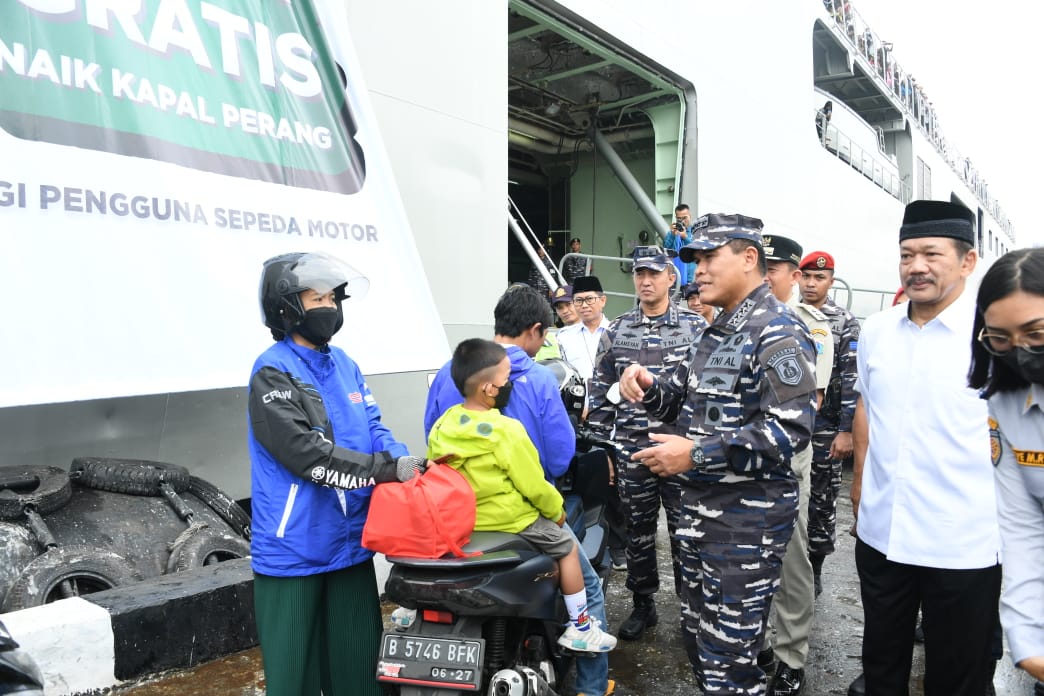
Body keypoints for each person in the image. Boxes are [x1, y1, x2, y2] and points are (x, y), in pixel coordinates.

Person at [619, 213, 817, 694]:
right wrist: (646, 387)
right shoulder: (716, 332)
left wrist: (696, 455)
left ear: (749, 258)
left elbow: (790, 432)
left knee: (729, 665)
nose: (698, 270)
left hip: (742, 531)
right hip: (699, 526)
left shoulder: (778, 332)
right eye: (694, 260)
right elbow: (674, 396)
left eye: (709, 257)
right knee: (703, 652)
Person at [248, 252, 430, 696]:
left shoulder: (343, 363)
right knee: (297, 678)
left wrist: (403, 460)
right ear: (287, 307)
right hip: (295, 549)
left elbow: (373, 426)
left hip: (350, 542)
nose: (329, 306)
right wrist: (386, 470)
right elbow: (308, 457)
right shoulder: (272, 371)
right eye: (317, 298)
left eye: (333, 296)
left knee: (360, 670)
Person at [424, 285, 614, 696]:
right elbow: (559, 457)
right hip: (521, 515)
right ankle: (591, 685)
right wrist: (553, 505)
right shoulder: (536, 377)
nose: (542, 343)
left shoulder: (449, 372)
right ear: (532, 330)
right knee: (588, 583)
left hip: (459, 519)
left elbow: (431, 444)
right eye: (543, 335)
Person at [851, 200, 1000, 696]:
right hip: (883, 537)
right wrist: (859, 488)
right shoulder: (876, 332)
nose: (916, 266)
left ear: (968, 261)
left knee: (957, 678)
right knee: (881, 670)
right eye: (907, 254)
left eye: (932, 254)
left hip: (962, 544)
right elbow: (870, 412)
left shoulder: (993, 339)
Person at [586, 246, 707, 641]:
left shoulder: (695, 328)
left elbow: (708, 391)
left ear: (671, 277)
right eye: (640, 273)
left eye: (654, 273)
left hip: (679, 449)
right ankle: (643, 604)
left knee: (685, 530)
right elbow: (601, 389)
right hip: (632, 448)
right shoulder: (617, 330)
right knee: (637, 529)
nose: (646, 281)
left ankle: (692, 610)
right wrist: (604, 448)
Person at [761, 235, 834, 696]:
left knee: (790, 560)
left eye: (776, 267)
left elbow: (811, 400)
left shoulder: (810, 326)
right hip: (737, 460)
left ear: (793, 275)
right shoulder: (731, 321)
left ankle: (790, 655)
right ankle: (755, 643)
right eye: (760, 264)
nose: (766, 275)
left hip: (785, 460)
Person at [968, 247, 1044, 685]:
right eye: (1001, 339)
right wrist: (1028, 642)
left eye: (1036, 333)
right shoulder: (1008, 405)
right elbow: (1023, 529)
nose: (1022, 353)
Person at [798, 251, 860, 597]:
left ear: (830, 281)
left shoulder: (845, 322)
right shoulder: (791, 316)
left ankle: (816, 566)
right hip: (791, 422)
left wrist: (847, 430)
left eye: (818, 278)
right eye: (805, 277)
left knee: (822, 498)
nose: (811, 284)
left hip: (826, 424)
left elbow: (851, 379)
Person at [558, 275, 611, 383]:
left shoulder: (617, 332)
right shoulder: (564, 337)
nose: (584, 305)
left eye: (590, 299)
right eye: (578, 300)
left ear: (603, 301)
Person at [664, 203, 696, 284]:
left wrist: (685, 237)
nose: (682, 221)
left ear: (690, 216)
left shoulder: (695, 231)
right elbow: (665, 250)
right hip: (674, 276)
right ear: (676, 218)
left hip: (691, 278)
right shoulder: (672, 233)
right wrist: (672, 235)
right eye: (679, 218)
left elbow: (697, 249)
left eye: (685, 218)